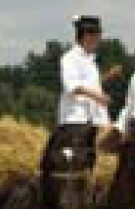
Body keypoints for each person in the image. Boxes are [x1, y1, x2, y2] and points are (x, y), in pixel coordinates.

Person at [42, 15, 116, 174]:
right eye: (97, 36)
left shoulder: (90, 60)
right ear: (87, 36)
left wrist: (106, 78)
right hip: (75, 121)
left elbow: (89, 84)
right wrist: (98, 96)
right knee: (75, 167)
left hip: (94, 121)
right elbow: (72, 86)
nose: (99, 40)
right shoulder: (69, 58)